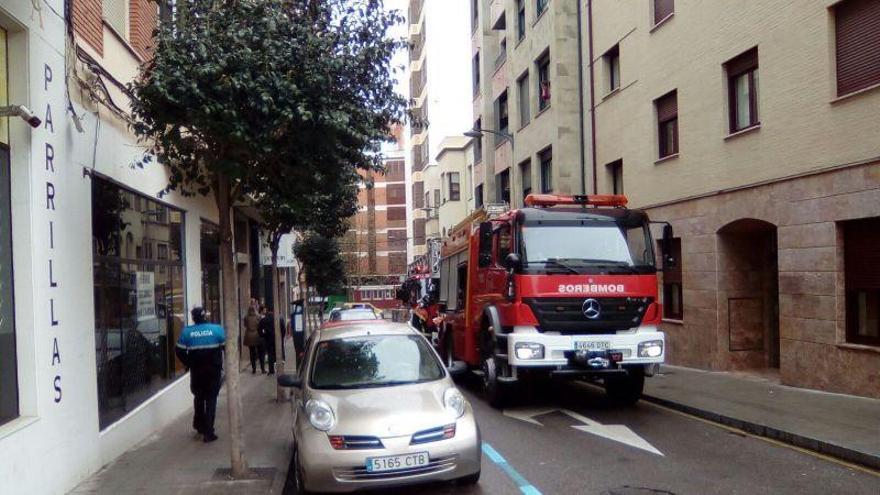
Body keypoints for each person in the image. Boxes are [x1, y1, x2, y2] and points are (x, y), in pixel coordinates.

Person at [176, 307, 225, 443]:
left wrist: (189, 363)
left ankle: (199, 425)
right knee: (211, 400)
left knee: (198, 397)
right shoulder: (217, 330)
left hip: (197, 371)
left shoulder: (187, 332)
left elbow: (178, 350)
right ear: (205, 316)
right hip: (213, 371)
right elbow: (226, 347)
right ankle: (209, 432)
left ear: (193, 318)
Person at [243, 307, 264, 374]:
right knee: (261, 353)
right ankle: (262, 369)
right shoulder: (258, 316)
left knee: (252, 353)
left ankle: (254, 369)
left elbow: (245, 325)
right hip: (257, 335)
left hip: (249, 336)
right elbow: (261, 325)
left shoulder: (246, 317)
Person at [258, 305, 277, 375]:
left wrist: (263, 335)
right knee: (276, 353)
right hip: (276, 338)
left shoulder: (263, 320)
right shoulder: (276, 319)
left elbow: (259, 329)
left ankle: (271, 369)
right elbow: (282, 328)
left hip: (267, 339)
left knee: (270, 354)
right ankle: (275, 368)